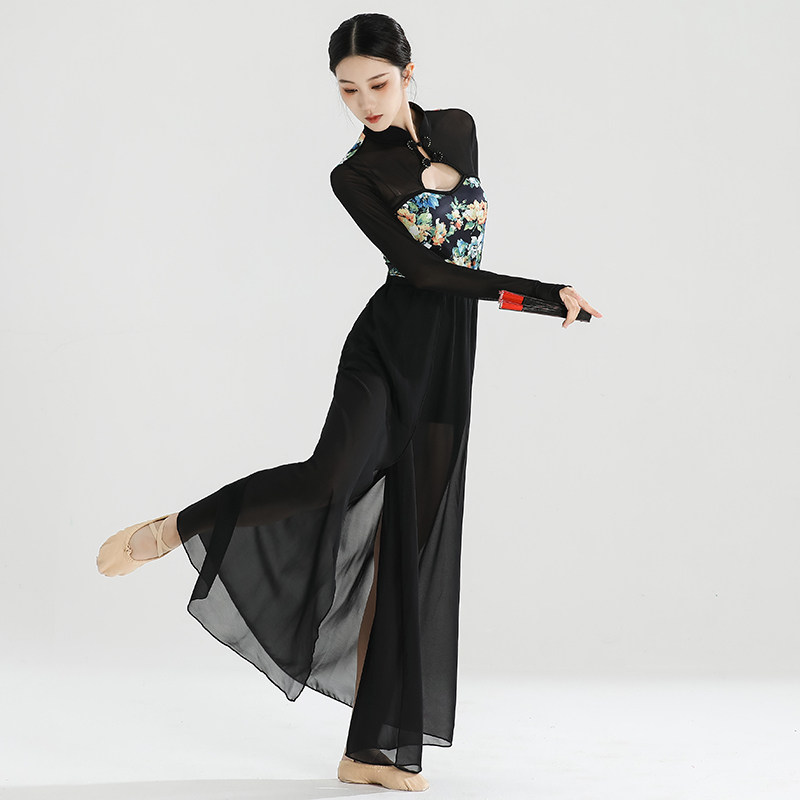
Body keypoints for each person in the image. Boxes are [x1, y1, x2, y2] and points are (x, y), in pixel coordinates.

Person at [96, 12, 602, 793]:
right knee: (324, 481)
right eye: (347, 90)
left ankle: (368, 750)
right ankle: (173, 529)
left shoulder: (459, 129)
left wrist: (534, 302)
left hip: (448, 358)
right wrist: (541, 293)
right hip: (385, 350)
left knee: (409, 547)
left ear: (408, 74)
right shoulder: (355, 175)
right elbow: (423, 273)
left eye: (378, 84)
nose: (365, 102)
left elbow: (467, 255)